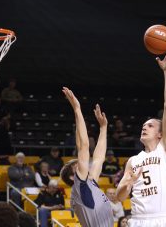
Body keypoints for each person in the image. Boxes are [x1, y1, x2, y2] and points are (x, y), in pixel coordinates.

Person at [116, 45, 166, 227]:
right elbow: (119, 198)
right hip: (139, 220)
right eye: (143, 126)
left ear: (161, 134)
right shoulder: (132, 161)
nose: (144, 128)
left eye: (150, 125)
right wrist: (126, 184)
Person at [60, 87, 114, 226]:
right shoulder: (80, 185)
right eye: (77, 166)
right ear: (73, 177)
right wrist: (77, 109)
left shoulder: (90, 184)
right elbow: (83, 146)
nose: (83, 165)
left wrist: (103, 128)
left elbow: (98, 158)